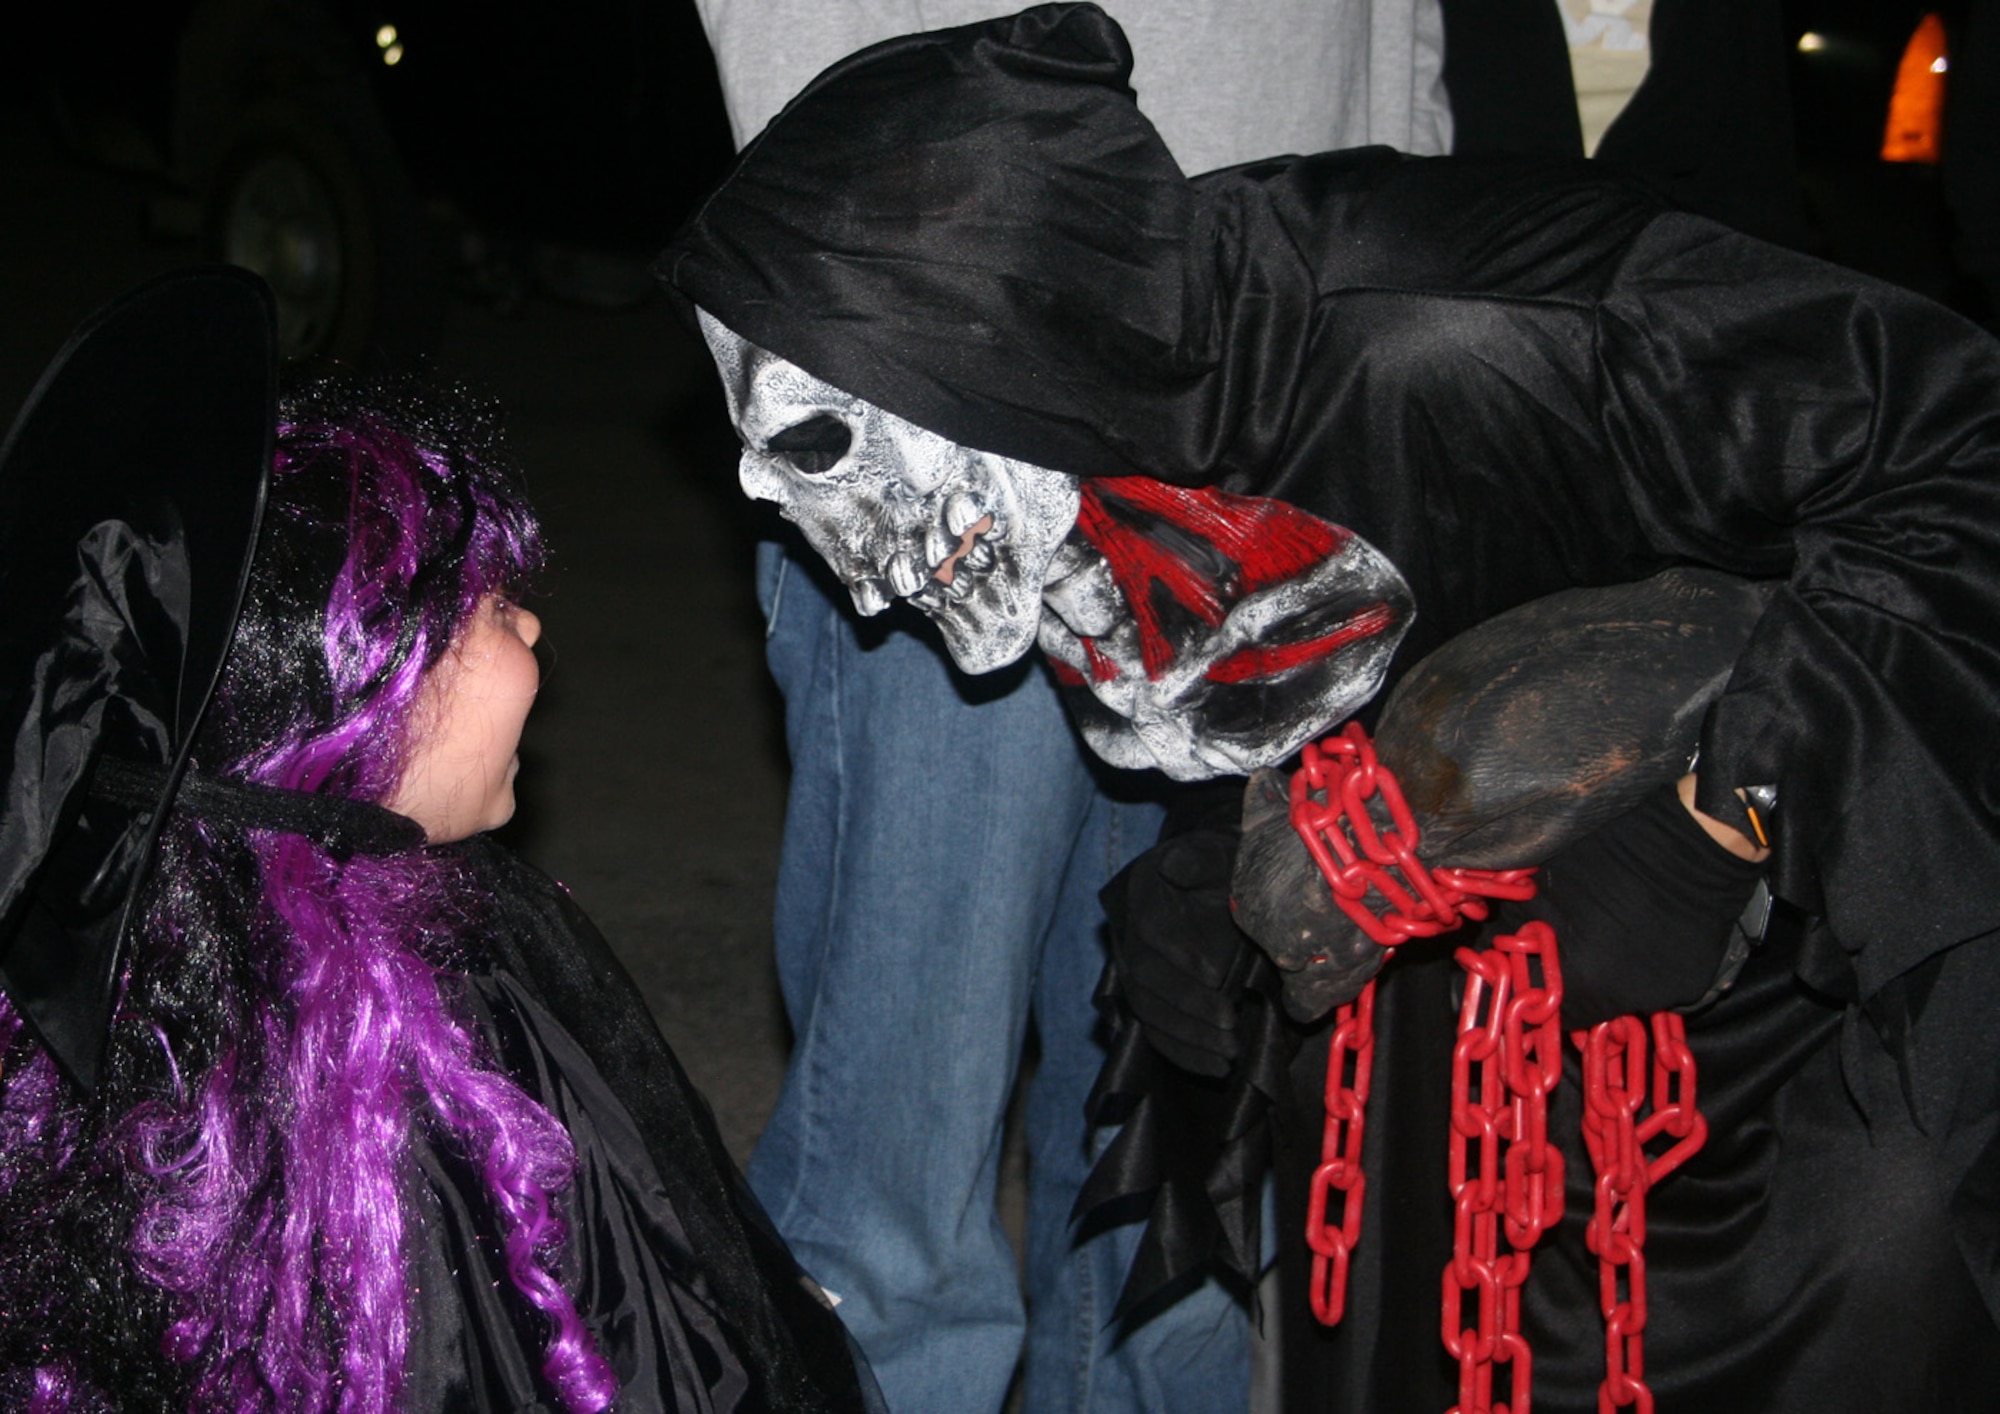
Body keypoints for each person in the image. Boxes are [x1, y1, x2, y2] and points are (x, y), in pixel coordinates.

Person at [660, 5, 2000, 1409]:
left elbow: (1953, 438)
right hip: (1474, 989)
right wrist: (1218, 870)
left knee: (1808, 1298)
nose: (861, 590)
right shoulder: (1068, 439)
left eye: (826, 453)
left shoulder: (1484, 326)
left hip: (1805, 932)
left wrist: (1728, 809)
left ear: (996, 342)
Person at [685, 3, 1450, 1409]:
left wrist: (1386, 288)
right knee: (898, 1181)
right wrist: (837, 322)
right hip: (945, 380)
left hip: (1269, 404)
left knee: (1178, 1176)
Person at [0, 268, 877, 1413]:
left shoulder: (199, 976)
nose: (535, 631)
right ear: (367, 707)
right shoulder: (394, 1101)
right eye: (495, 611)